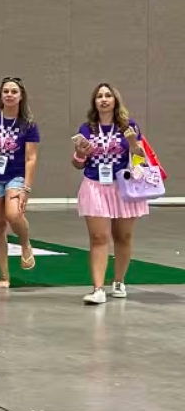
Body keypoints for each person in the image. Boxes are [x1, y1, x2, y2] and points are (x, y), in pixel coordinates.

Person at [73, 83, 149, 305]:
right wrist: (80, 154)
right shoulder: (87, 129)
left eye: (108, 95)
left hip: (123, 186)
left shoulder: (129, 126)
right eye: (99, 96)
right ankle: (97, 288)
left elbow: (140, 160)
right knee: (98, 237)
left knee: (123, 236)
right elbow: (78, 164)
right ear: (94, 102)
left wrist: (133, 144)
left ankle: (118, 281)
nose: (104, 99)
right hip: (94, 185)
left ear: (115, 100)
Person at [0, 77, 39, 288]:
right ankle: (4, 276)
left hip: (16, 175)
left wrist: (26, 187)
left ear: (21, 96)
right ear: (1, 95)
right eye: (6, 91)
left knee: (13, 214)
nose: (9, 95)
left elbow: (31, 158)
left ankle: (25, 243)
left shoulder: (28, 125)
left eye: (14, 91)